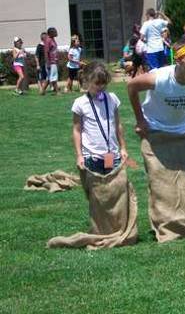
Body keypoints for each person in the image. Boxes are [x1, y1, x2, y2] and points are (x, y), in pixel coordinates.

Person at [127, 39, 185, 243]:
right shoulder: (159, 79)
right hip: (157, 130)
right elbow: (132, 87)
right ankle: (168, 226)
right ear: (178, 59)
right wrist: (140, 120)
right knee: (162, 182)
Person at [48, 62, 138, 249]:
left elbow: (118, 124)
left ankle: (118, 227)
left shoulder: (112, 99)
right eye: (97, 83)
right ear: (87, 81)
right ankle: (100, 229)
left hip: (110, 154)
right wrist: (79, 155)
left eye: (104, 83)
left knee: (114, 192)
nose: (101, 87)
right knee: (97, 195)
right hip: (92, 155)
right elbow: (77, 130)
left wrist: (122, 147)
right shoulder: (80, 103)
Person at [44, 27, 59, 94]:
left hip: (54, 61)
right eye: (55, 31)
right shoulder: (48, 40)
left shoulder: (53, 39)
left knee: (49, 78)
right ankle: (57, 92)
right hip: (51, 62)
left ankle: (42, 91)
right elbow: (46, 52)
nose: (56, 32)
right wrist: (48, 63)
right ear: (51, 33)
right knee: (53, 77)